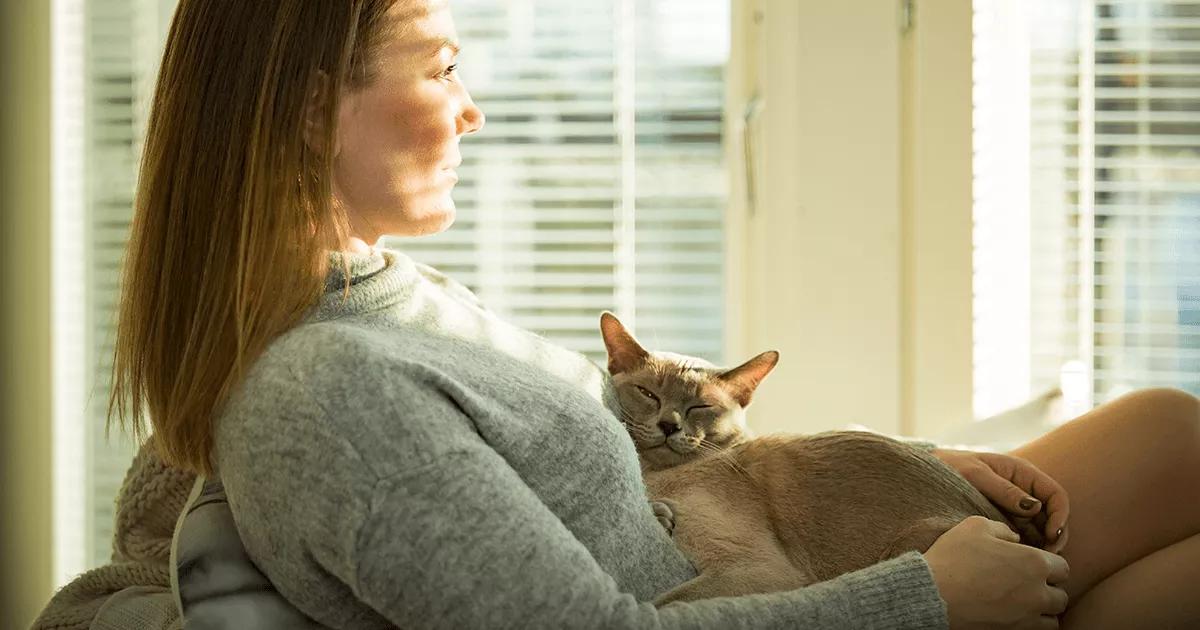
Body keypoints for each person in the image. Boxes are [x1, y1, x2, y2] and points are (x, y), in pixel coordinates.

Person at [34, 1, 1200, 628]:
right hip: (793, 600)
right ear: (301, 111)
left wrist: (892, 464)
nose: (473, 109)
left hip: (759, 547)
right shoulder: (325, 398)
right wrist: (927, 601)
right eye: (440, 68)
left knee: (1166, 433)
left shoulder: (377, 297)